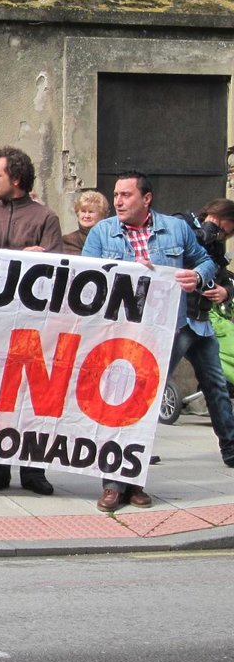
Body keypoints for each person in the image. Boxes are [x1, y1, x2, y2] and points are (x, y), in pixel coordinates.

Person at [83, 174, 230, 511]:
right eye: (116, 195)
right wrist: (126, 270)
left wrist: (198, 276)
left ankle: (135, 482)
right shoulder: (103, 232)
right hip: (120, 334)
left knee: (145, 407)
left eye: (126, 195)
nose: (118, 201)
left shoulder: (175, 229)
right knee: (120, 404)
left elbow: (205, 261)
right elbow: (87, 275)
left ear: (146, 199)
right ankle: (112, 484)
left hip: (165, 332)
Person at [0, 145, 63, 496]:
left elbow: (59, 271)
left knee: (33, 397)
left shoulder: (46, 218)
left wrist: (41, 258)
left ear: (16, 178)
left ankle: (33, 469)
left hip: (34, 326)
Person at [62, 189, 110, 255]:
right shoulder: (69, 240)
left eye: (91, 212)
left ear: (102, 214)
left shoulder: (111, 238)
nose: (86, 216)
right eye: (83, 211)